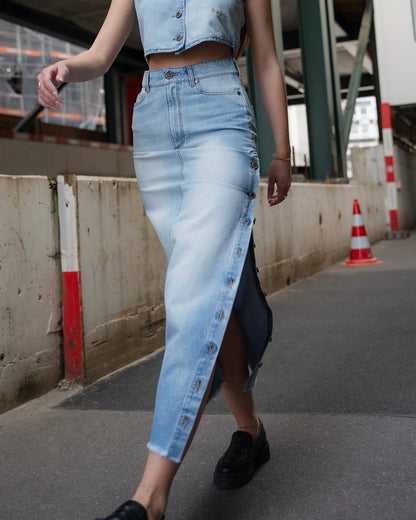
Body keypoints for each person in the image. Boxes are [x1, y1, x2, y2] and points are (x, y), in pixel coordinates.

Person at [38, 1, 291, 519]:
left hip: (220, 115)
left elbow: (265, 57)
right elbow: (103, 54)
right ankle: (251, 432)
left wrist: (282, 151)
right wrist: (68, 68)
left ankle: (149, 498)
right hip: (154, 126)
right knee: (215, 296)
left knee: (192, 296)